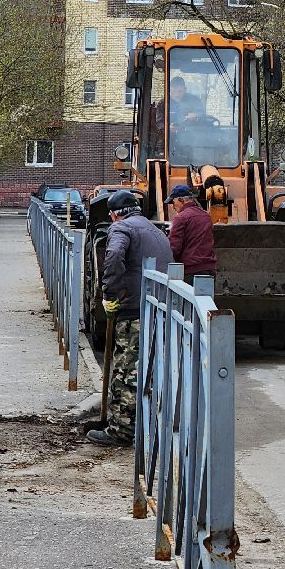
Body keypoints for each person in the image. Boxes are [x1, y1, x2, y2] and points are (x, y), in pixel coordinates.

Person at [87, 190, 171, 448]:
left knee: (126, 372)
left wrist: (109, 292)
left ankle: (122, 431)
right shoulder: (154, 229)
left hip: (133, 309)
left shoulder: (121, 229)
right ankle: (145, 425)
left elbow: (112, 257)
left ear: (114, 214)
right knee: (147, 371)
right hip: (157, 307)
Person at [166, 185, 218, 280]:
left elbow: (174, 247)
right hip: (209, 269)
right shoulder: (206, 216)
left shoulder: (181, 218)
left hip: (191, 271)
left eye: (173, 202)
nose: (173, 207)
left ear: (181, 200)